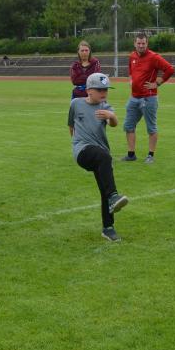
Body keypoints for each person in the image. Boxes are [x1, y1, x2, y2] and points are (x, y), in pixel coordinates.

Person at [69, 72, 129, 241]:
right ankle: (114, 196)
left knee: (105, 189)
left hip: (102, 156)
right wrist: (74, 144)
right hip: (83, 151)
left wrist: (112, 116)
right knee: (103, 157)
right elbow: (70, 124)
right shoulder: (76, 104)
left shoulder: (106, 108)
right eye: (100, 89)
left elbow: (114, 124)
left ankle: (108, 228)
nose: (104, 93)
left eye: (106, 90)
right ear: (89, 90)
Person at [121, 32, 175, 164]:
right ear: (134, 43)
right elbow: (130, 70)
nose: (141, 45)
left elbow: (169, 69)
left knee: (151, 128)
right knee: (128, 126)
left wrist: (157, 83)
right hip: (134, 98)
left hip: (148, 98)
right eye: (138, 43)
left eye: (143, 43)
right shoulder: (132, 56)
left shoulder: (154, 57)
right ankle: (131, 154)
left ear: (147, 44)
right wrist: (131, 80)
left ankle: (150, 155)